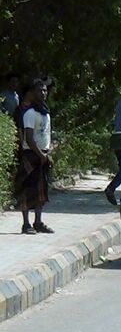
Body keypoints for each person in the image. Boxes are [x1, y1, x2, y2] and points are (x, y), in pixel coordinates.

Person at [14, 79, 55, 234]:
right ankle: (26, 224)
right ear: (32, 93)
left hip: (43, 154)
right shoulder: (29, 113)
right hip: (31, 155)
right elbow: (29, 139)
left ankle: (38, 222)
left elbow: (45, 135)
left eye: (45, 90)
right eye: (40, 91)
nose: (43, 93)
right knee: (27, 190)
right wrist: (40, 155)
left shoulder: (45, 113)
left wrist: (48, 152)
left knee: (41, 191)